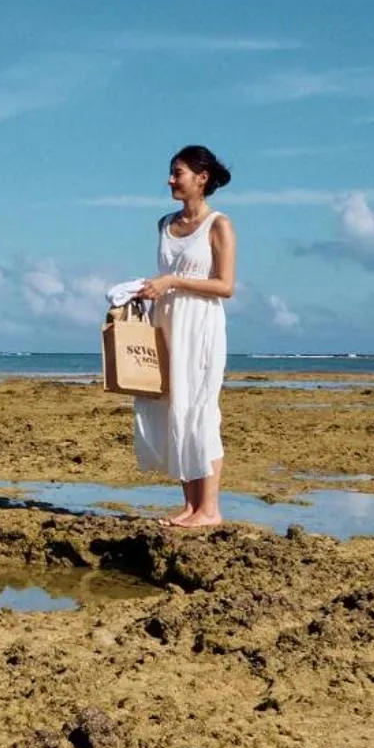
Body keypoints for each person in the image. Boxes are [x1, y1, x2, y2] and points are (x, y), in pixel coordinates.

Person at [133, 145, 236, 527]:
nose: (171, 180)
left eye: (178, 173)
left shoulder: (219, 224)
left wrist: (173, 281)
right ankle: (190, 506)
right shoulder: (164, 223)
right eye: (172, 172)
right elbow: (165, 275)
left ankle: (210, 509)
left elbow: (225, 285)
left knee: (202, 411)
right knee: (175, 409)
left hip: (201, 326)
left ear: (202, 178)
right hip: (168, 322)